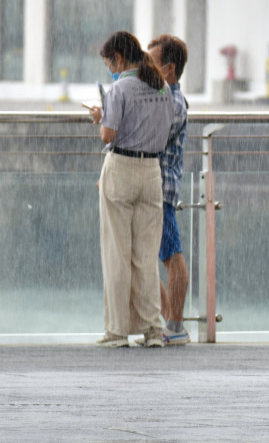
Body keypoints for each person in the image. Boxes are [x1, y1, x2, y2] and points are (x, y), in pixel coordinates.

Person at [89, 31, 174, 348]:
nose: (110, 67)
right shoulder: (162, 87)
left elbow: (108, 135)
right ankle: (153, 329)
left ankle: (117, 331)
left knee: (117, 254)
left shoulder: (119, 88)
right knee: (146, 256)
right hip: (152, 171)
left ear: (119, 59)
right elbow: (165, 130)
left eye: (109, 61)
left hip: (122, 168)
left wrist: (100, 118)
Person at [147, 34, 191, 345]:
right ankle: (168, 322)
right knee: (148, 256)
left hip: (162, 189)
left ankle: (176, 325)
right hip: (153, 187)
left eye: (152, 63)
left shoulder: (173, 102)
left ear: (169, 69)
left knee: (171, 256)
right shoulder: (161, 98)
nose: (146, 69)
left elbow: (153, 137)